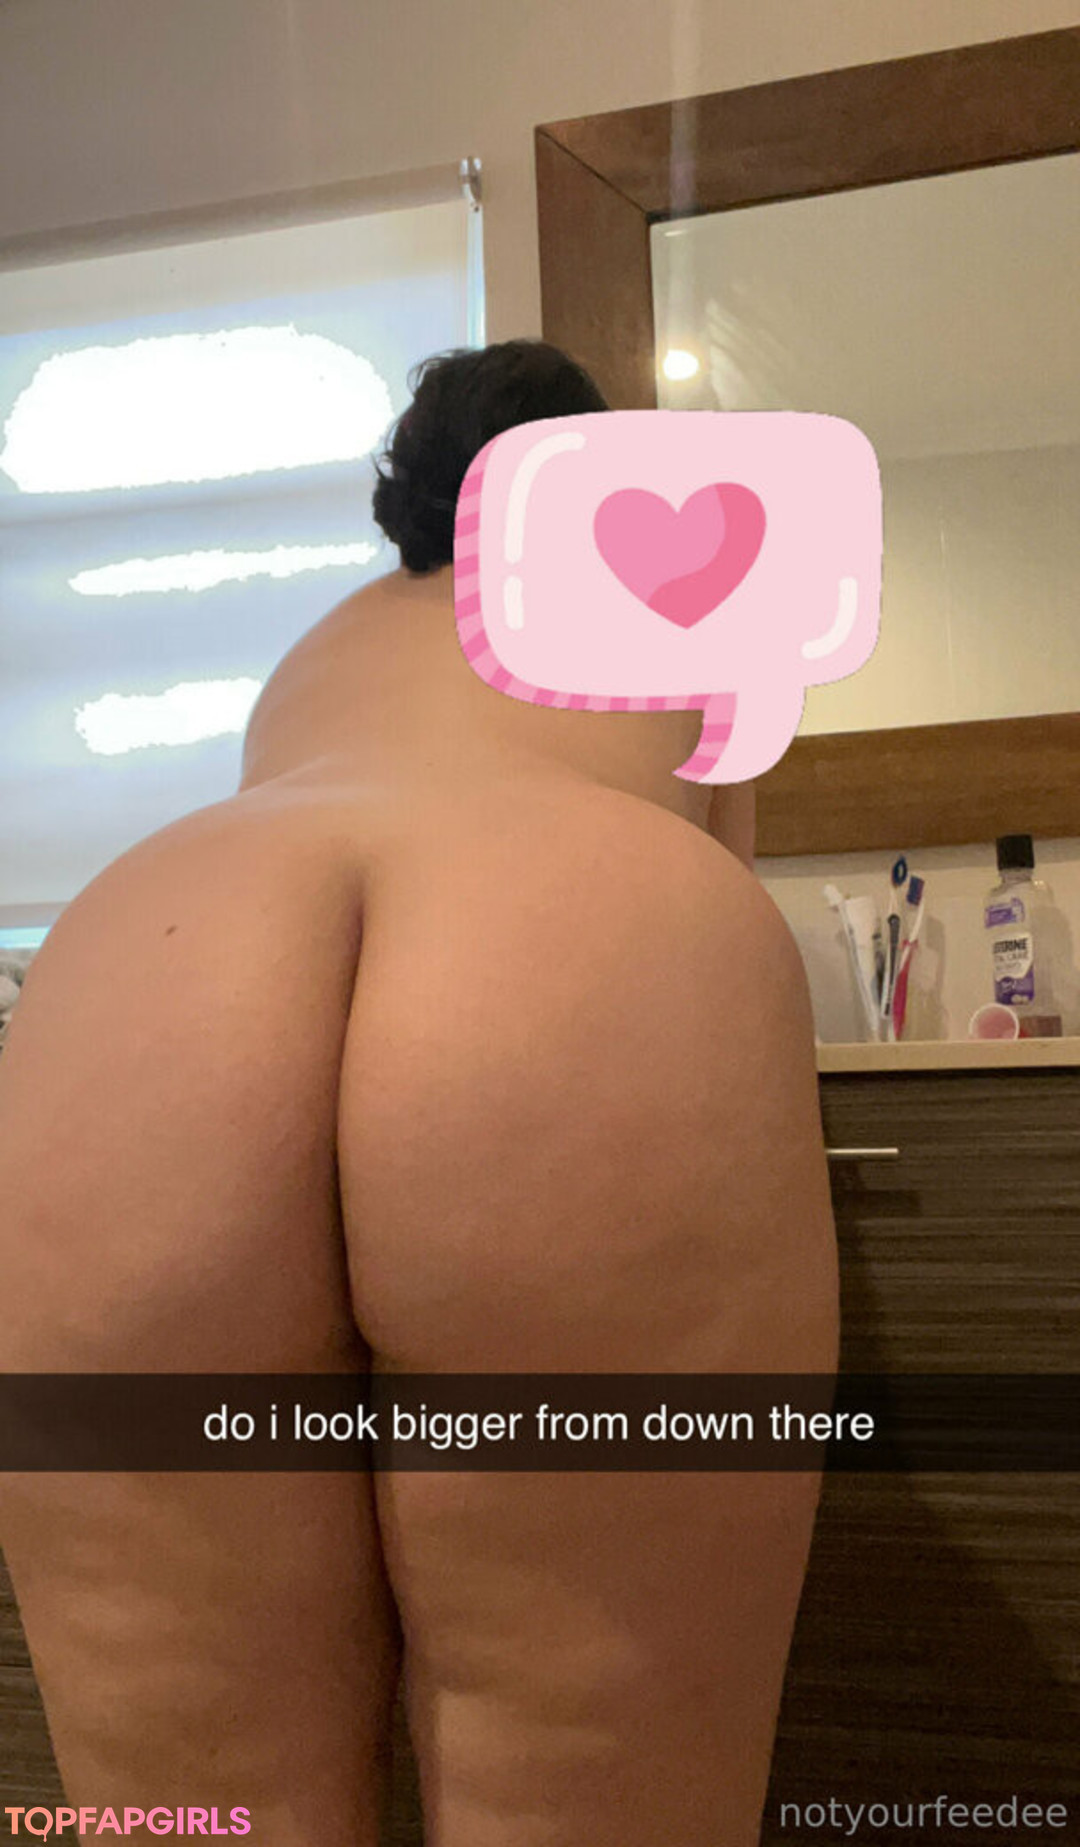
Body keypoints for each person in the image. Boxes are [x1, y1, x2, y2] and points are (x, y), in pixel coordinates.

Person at [0, 340, 837, 1846]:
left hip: (152, 955)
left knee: (192, 1807)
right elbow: (725, 850)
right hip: (580, 938)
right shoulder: (678, 613)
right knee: (594, 1776)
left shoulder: (316, 647)